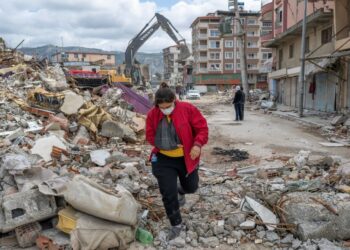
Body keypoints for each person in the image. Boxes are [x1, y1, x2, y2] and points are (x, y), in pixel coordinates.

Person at [146, 82, 208, 240]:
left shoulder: (188, 109)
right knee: (168, 192)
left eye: (168, 106)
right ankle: (176, 223)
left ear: (174, 100)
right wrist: (168, 144)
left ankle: (181, 190)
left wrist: (197, 144)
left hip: (186, 158)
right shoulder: (153, 114)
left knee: (191, 187)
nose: (165, 109)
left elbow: (202, 129)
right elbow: (150, 136)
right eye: (162, 107)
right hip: (163, 159)